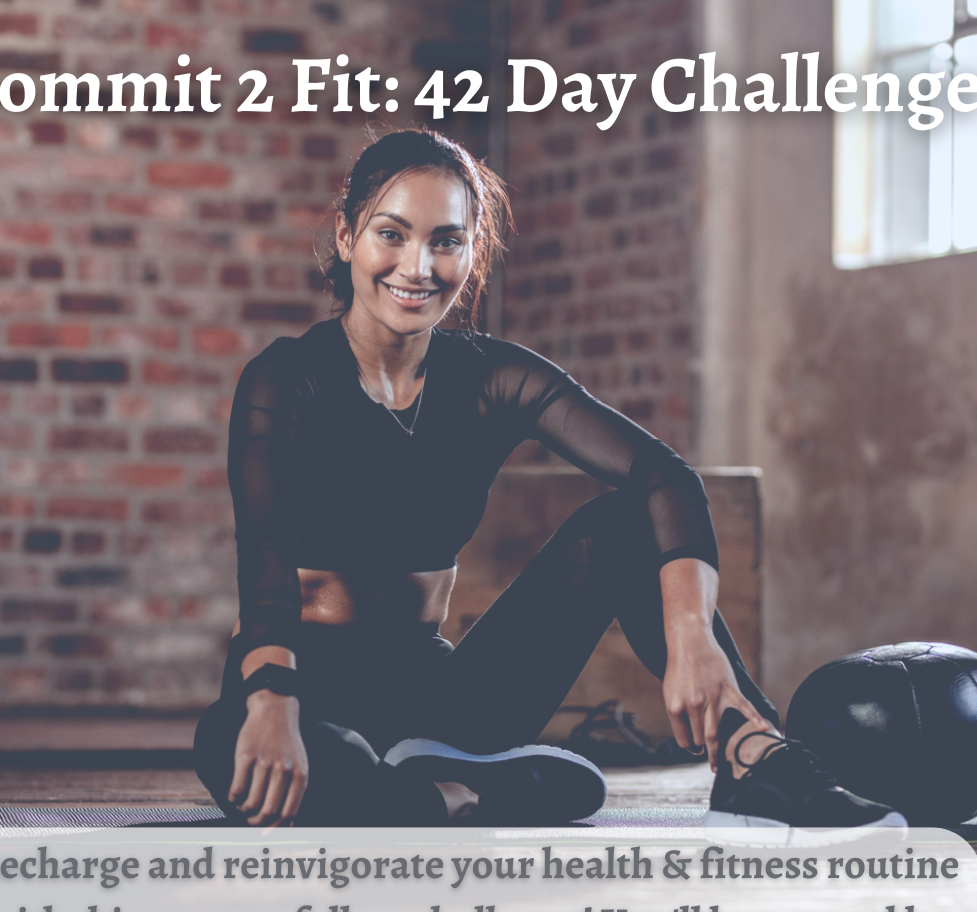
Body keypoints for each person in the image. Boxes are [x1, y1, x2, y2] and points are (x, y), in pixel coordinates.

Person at [193, 128, 905, 838]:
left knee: (624, 526)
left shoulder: (493, 377)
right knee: (243, 762)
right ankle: (464, 795)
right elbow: (264, 567)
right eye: (392, 234)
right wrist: (271, 701)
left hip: (435, 705)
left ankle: (758, 759)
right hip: (296, 681)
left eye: (446, 240)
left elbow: (664, 476)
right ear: (347, 236)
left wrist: (692, 635)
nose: (418, 265)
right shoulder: (286, 380)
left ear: (471, 254)